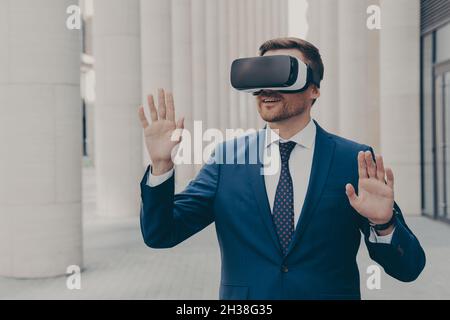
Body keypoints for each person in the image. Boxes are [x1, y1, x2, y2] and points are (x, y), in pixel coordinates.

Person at [137, 37, 425, 300]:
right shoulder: (227, 159)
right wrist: (161, 166)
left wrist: (384, 224)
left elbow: (408, 268)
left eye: (282, 75)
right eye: (261, 75)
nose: (267, 88)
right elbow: (161, 234)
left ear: (314, 89)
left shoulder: (353, 159)